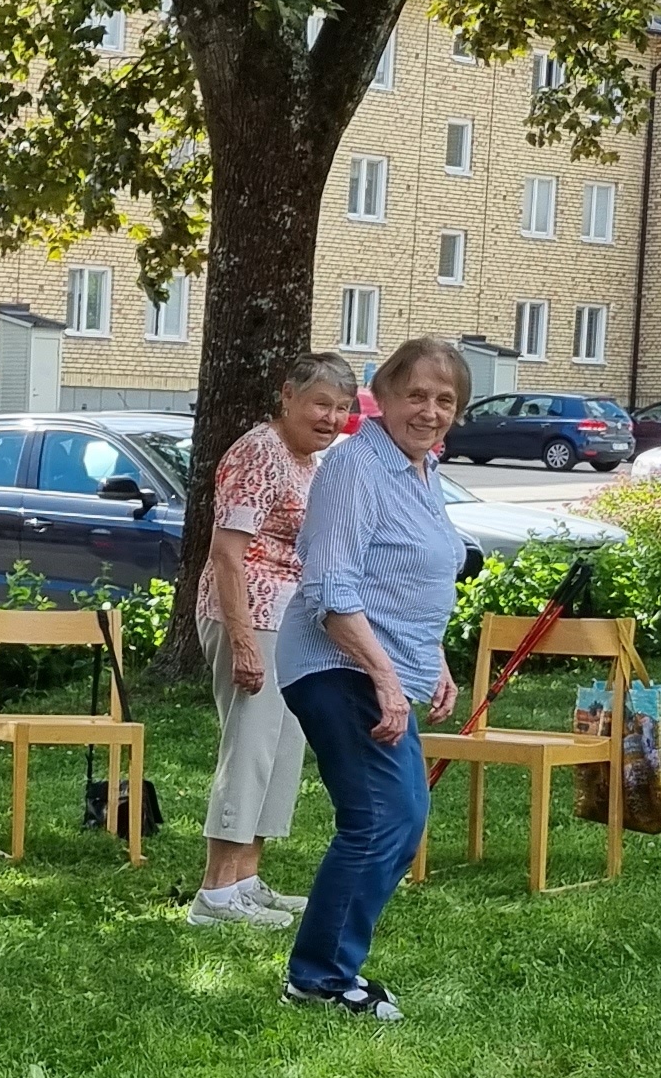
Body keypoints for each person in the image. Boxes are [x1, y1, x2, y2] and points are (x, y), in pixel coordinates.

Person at [272, 338, 470, 1019]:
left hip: (378, 663)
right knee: (379, 818)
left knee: (402, 815)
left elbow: (410, 577)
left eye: (445, 399)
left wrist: (432, 657)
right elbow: (333, 586)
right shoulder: (357, 467)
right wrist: (387, 679)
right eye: (416, 395)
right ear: (381, 399)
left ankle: (325, 969)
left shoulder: (422, 469)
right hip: (337, 663)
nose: (430, 410)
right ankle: (320, 977)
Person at [192, 351, 362, 930]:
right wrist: (241, 641)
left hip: (290, 624)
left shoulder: (309, 460)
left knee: (283, 751)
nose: (331, 417)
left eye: (342, 408)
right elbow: (227, 554)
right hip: (250, 615)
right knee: (251, 748)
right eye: (321, 403)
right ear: (288, 395)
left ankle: (247, 880)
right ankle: (215, 897)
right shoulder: (257, 452)